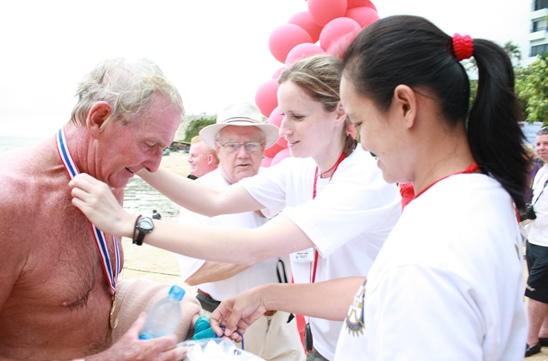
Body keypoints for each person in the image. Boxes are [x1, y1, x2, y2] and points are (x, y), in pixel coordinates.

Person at [207, 15, 530, 360]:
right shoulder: (486, 195)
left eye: (359, 122)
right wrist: (268, 295)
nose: (361, 139)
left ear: (405, 106)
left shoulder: (426, 256)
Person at [69, 54, 402, 361]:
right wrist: (139, 157)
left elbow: (253, 248)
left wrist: (132, 224)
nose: (284, 129)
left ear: (339, 113)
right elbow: (215, 202)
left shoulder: (364, 182)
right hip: (325, 344)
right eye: (284, 114)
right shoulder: (300, 170)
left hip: (371, 346)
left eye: (298, 116)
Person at [0, 57, 201, 361]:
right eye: (149, 144)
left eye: (164, 148)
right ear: (99, 119)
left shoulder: (108, 179)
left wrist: (181, 312)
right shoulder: (11, 204)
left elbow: (93, 291)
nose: (155, 165)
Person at [177, 102, 305, 361]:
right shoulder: (199, 196)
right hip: (226, 323)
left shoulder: (282, 184)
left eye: (251, 145)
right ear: (218, 150)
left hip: (283, 321)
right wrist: (259, 247)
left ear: (263, 148)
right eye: (233, 145)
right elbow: (194, 273)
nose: (243, 154)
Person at [524, 127, 548, 357]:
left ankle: (530, 340)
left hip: (546, 244)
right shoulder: (541, 170)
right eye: (539, 143)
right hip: (534, 237)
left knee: (534, 292)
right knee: (543, 290)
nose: (541, 148)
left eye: (546, 144)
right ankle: (543, 331)